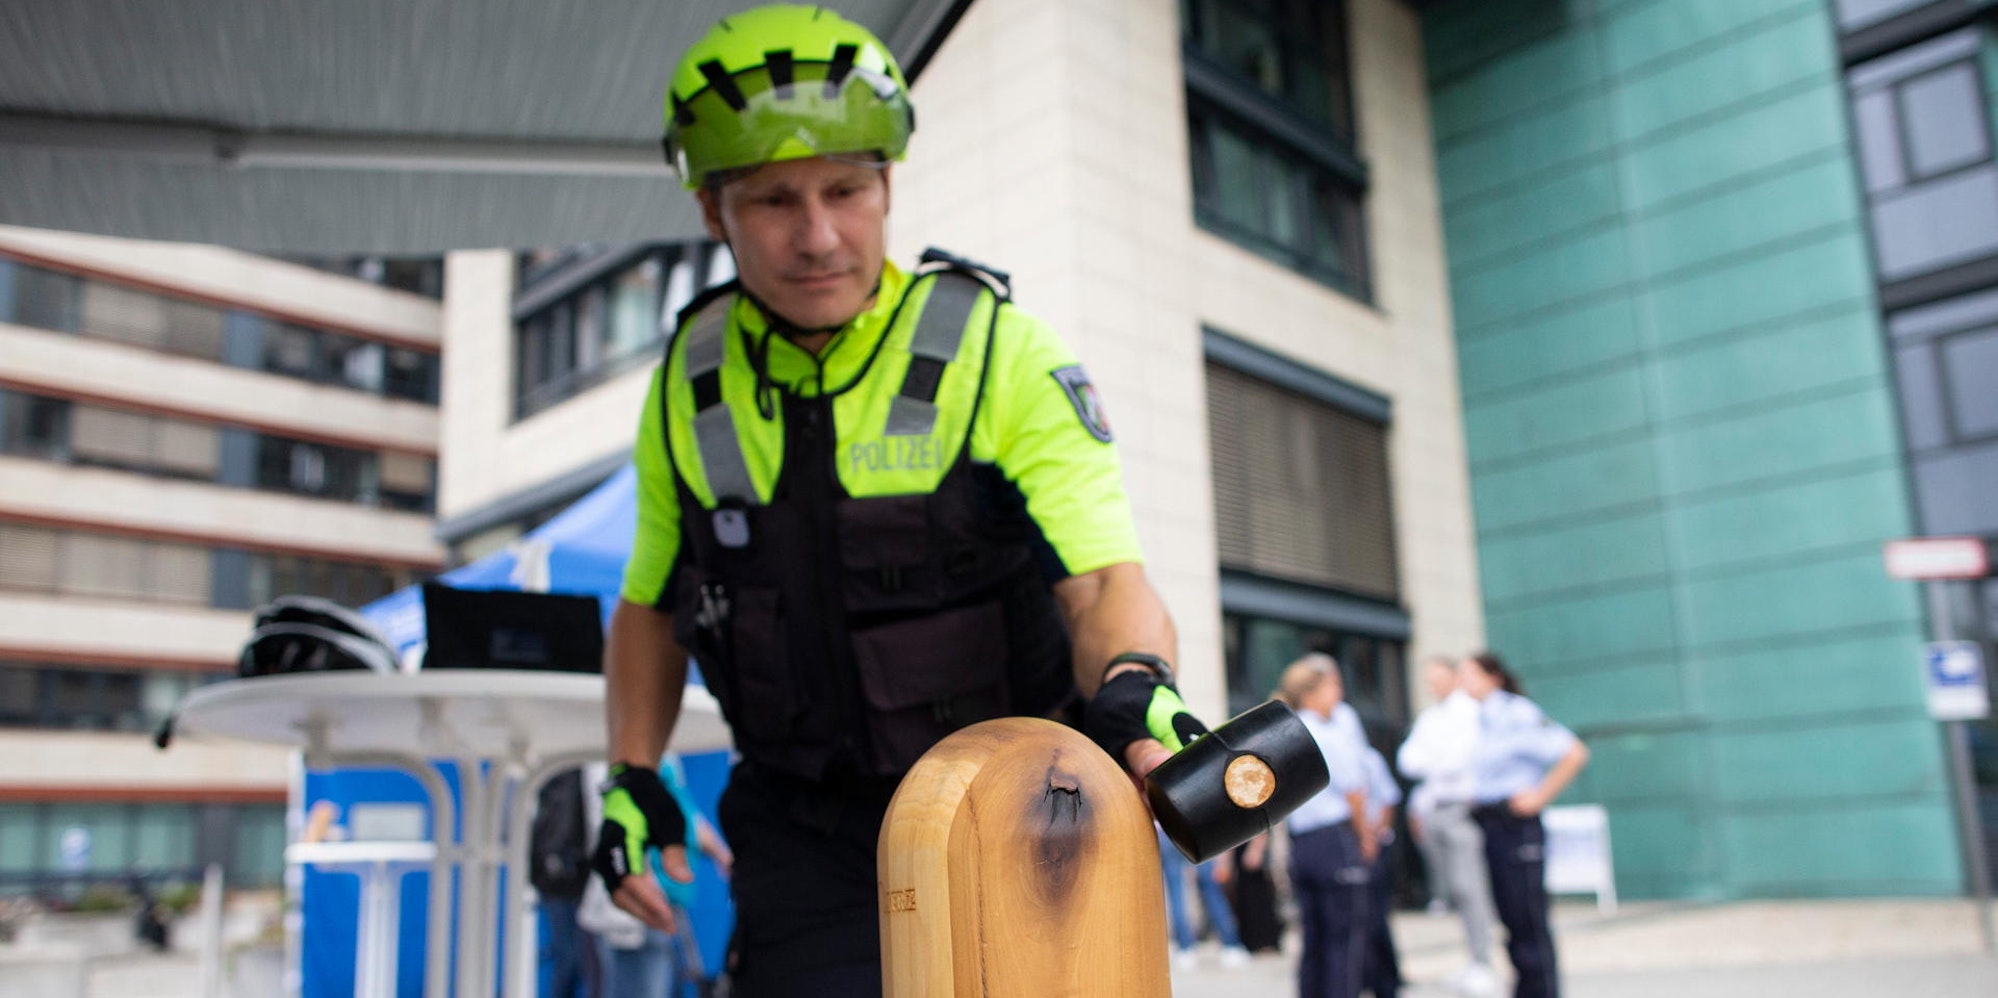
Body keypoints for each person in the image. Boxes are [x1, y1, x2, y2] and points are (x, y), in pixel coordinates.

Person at [592, 7, 1194, 995]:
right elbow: (652, 604)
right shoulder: (684, 385)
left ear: (888, 182)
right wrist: (632, 772)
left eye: (847, 189)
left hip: (1019, 808)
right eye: (775, 200)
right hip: (806, 833)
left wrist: (1138, 678)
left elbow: (1102, 582)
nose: (820, 234)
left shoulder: (1004, 352)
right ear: (711, 209)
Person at [1459, 652, 1590, 998]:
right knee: (1511, 920)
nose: (1464, 682)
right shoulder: (1481, 719)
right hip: (1492, 825)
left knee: (1529, 920)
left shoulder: (1517, 713)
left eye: (1470, 674)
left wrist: (1540, 795)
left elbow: (1574, 753)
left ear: (1493, 677)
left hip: (1517, 827)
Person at [582, 757, 732, 998]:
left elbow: (687, 814)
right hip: (640, 908)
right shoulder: (613, 756)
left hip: (669, 903)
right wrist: (631, 876)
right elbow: (608, 826)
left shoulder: (669, 757)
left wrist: (722, 855)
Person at [1398, 656, 1499, 996]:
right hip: (1434, 810)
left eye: (1439, 677)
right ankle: (1473, 959)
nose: (1432, 684)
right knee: (1452, 889)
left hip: (1461, 809)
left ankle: (1483, 961)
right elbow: (1409, 760)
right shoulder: (1430, 717)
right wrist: (1436, 762)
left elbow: (1458, 759)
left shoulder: (1468, 712)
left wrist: (1434, 761)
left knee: (1469, 886)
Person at [1275, 655, 1373, 998]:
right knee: (1343, 939)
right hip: (1334, 841)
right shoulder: (1329, 733)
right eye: (1332, 685)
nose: (1338, 693)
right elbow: (1354, 790)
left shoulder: (1285, 731)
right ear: (1311, 691)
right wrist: (1366, 837)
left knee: (1313, 938)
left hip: (1303, 845)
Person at [1158, 826, 1250, 969]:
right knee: (1210, 889)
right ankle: (1230, 944)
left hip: (1167, 831)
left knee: (1178, 892)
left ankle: (1185, 947)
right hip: (1194, 825)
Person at [1359, 745, 1403, 998]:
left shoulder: (1368, 758)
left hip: (1371, 843)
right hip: (1347, 842)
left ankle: (1386, 981)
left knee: (1375, 917)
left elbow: (1388, 797)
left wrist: (1374, 836)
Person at [1228, 831, 1283, 954]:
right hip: (1240, 846)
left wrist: (1256, 848)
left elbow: (1261, 821)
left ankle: (1266, 942)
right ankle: (1251, 942)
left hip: (1252, 846)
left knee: (1258, 897)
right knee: (1245, 896)